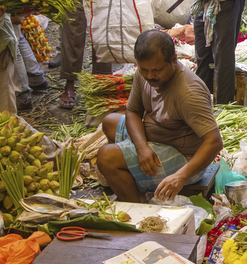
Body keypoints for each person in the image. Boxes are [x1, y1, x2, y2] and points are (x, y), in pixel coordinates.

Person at [95, 30, 223, 203]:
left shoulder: (189, 92)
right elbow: (133, 111)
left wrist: (181, 176)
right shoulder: (145, 74)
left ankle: (138, 207)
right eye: (144, 69)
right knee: (109, 122)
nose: (149, 76)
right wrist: (142, 148)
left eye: (157, 70)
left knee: (106, 156)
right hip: (156, 138)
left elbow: (214, 142)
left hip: (184, 158)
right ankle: (129, 181)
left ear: (174, 60)